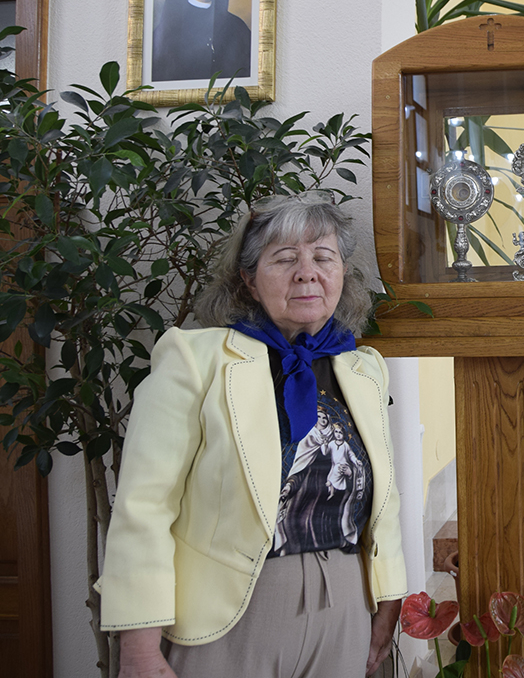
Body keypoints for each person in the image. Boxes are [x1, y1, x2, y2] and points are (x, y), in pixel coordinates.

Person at [99, 192, 405, 678]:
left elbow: (384, 504)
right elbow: (144, 505)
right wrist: (138, 644)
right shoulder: (195, 361)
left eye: (323, 257)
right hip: (227, 615)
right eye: (284, 259)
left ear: (342, 272)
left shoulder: (364, 370)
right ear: (248, 278)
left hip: (346, 604)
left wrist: (388, 602)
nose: (307, 273)